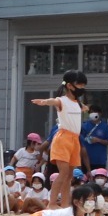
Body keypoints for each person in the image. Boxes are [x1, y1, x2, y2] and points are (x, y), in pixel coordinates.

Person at [30, 69, 88, 206]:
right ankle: (52, 203)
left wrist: (85, 108)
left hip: (75, 139)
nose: (82, 88)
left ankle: (65, 204)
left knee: (69, 176)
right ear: (69, 85)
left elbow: (83, 108)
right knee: (63, 173)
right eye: (80, 85)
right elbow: (54, 101)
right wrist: (44, 102)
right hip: (63, 138)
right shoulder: (62, 101)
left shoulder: (78, 103)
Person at [82, 106, 108, 172]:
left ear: (100, 113)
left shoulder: (105, 127)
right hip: (86, 159)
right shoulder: (84, 126)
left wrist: (98, 140)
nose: (93, 113)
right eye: (91, 112)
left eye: (95, 112)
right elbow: (80, 140)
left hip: (100, 160)